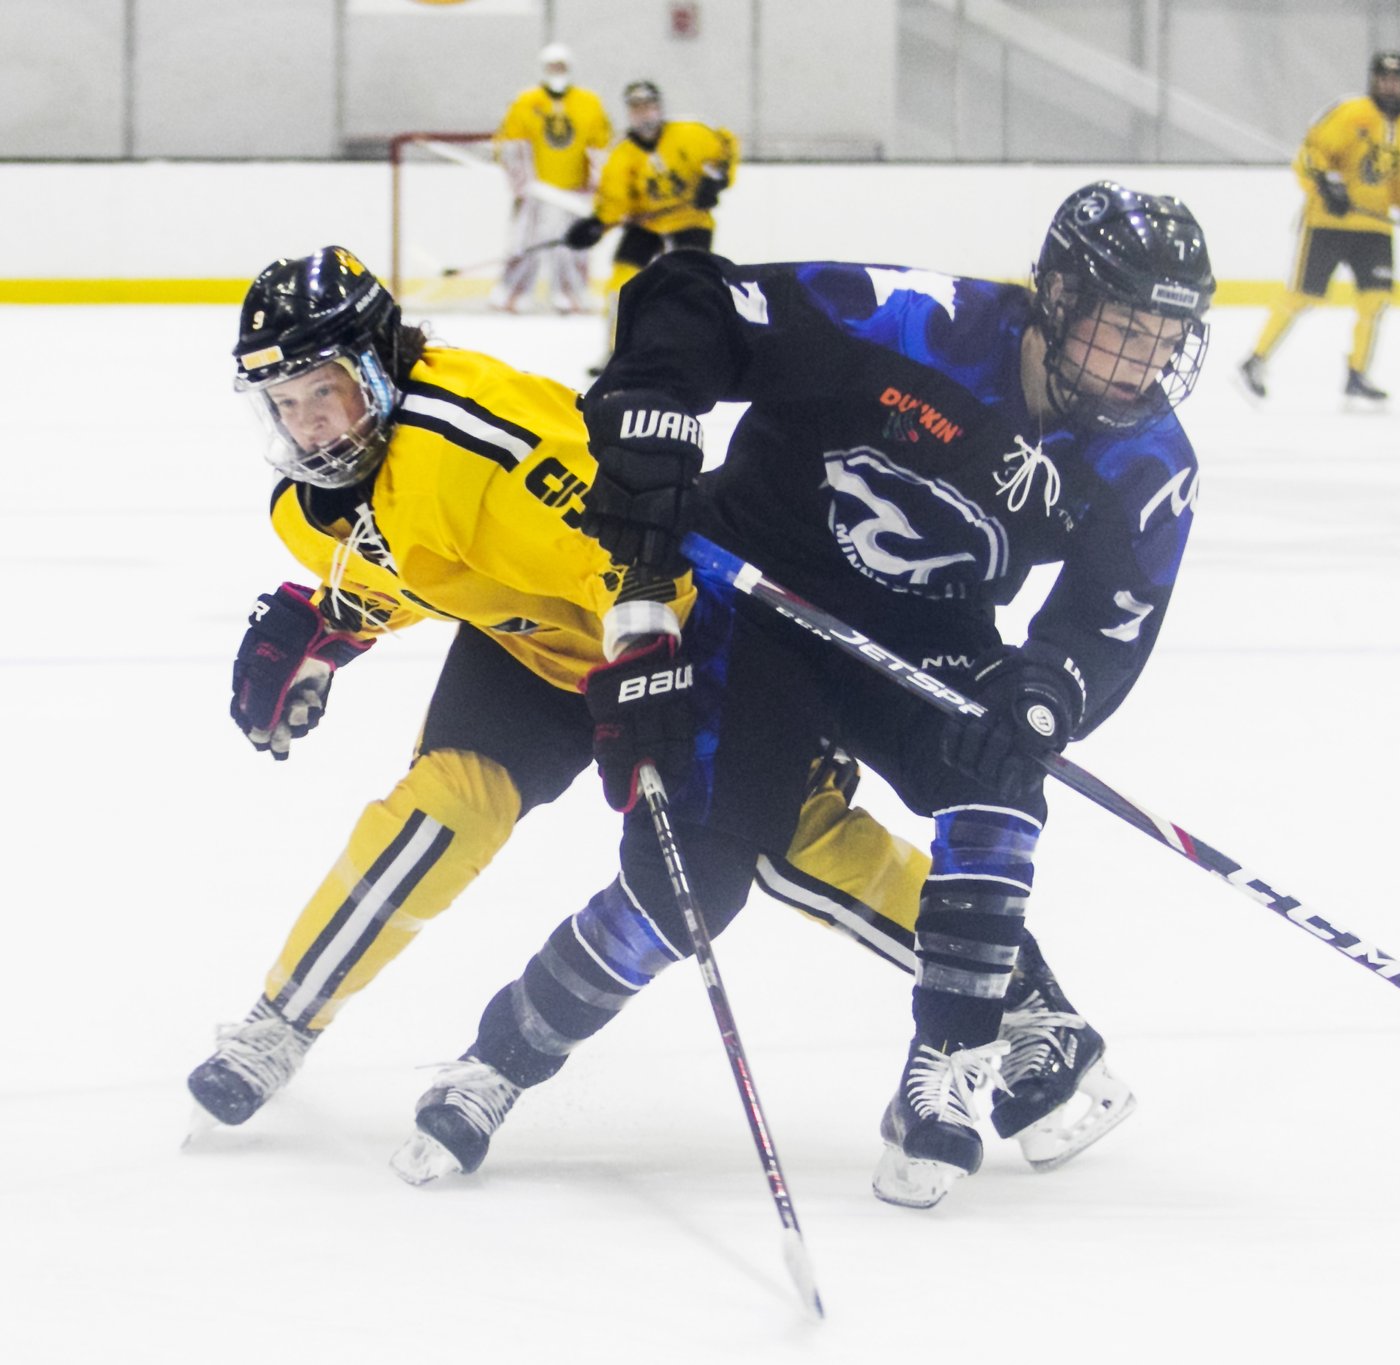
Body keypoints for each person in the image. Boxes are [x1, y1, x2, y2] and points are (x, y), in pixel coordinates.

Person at [189, 248, 1128, 1182]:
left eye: (326, 392)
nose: (309, 425)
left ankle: (1022, 1003)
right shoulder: (305, 507)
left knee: (791, 841)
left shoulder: (472, 440)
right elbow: (425, 569)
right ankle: (279, 1023)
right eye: (285, 403)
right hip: (527, 651)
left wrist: (680, 676)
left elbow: (635, 546)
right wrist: (329, 625)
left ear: (380, 364)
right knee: (442, 812)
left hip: (666, 625)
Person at [402, 180, 1213, 1210]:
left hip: (926, 628)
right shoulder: (917, 321)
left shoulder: (1148, 462)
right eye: (1121, 327)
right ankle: (499, 1059)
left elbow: (1107, 619)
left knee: (1001, 772)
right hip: (758, 596)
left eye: (1163, 336)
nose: (1141, 361)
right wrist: (655, 414)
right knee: (690, 878)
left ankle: (948, 1072)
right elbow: (694, 296)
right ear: (1054, 294)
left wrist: (1045, 694)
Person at [1237, 51, 1400, 404]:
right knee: (1303, 296)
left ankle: (1357, 374)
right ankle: (1255, 360)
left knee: (1375, 300)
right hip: (1328, 222)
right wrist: (1327, 187)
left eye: (1396, 79)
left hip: (1375, 227)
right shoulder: (1350, 113)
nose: (1389, 86)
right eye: (1383, 78)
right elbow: (1311, 155)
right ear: (1373, 81)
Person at [563, 80, 739, 370]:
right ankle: (616, 350)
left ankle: (696, 349)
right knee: (621, 283)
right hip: (649, 225)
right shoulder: (621, 154)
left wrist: (717, 179)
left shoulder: (690, 132)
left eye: (648, 106)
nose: (644, 114)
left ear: (659, 107)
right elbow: (614, 202)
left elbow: (726, 147)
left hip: (690, 220)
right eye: (636, 108)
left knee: (692, 283)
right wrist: (596, 224)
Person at [489, 43, 613, 314]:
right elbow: (511, 143)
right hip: (537, 192)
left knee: (572, 249)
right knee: (525, 245)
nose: (557, 71)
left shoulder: (589, 102)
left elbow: (599, 147)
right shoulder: (525, 101)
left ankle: (572, 297)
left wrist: (594, 187)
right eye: (552, 67)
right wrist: (523, 185)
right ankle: (511, 296)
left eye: (562, 66)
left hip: (574, 192)